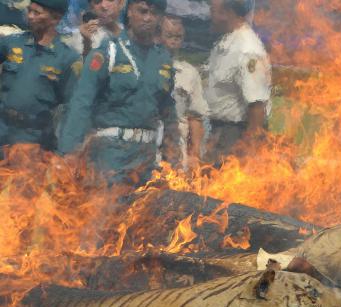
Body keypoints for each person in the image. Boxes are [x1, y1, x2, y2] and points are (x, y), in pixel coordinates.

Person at [59, 0, 178, 185]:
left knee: (144, 212)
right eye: (143, 11)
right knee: (106, 212)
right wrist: (69, 151)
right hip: (110, 155)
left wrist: (174, 154)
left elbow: (168, 111)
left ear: (161, 18)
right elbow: (82, 102)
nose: (148, 18)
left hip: (146, 157)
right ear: (129, 11)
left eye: (154, 14)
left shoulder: (163, 60)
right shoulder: (107, 51)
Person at [0, 0, 81, 152]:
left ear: (55, 18)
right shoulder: (12, 43)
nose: (30, 16)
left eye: (36, 13)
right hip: (2, 130)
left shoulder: (67, 58)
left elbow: (72, 108)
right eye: (29, 10)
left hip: (34, 139)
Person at [204, 0, 271, 164]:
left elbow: (257, 106)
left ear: (226, 12)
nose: (209, 15)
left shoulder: (247, 49)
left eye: (212, 10)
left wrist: (248, 151)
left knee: (221, 187)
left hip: (234, 135)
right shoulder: (226, 42)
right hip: (218, 132)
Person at [159, 15, 208, 170]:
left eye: (178, 36)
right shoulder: (146, 67)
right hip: (149, 143)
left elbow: (195, 117)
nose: (174, 40)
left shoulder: (189, 73)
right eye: (169, 35)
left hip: (177, 148)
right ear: (158, 35)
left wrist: (194, 155)